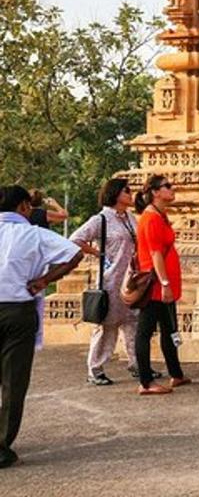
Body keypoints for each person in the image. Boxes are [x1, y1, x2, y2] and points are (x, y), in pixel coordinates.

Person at [0, 184, 84, 468]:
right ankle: (1, 445)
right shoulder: (33, 234)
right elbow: (75, 254)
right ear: (24, 206)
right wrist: (44, 281)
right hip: (17, 308)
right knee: (13, 380)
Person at [69, 178, 161, 385]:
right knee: (106, 326)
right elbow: (75, 238)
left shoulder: (129, 217)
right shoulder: (101, 220)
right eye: (126, 190)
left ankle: (138, 364)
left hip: (132, 279)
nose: (130, 194)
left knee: (134, 323)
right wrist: (97, 253)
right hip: (111, 280)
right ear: (115, 194)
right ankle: (95, 369)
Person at [132, 175, 190, 395]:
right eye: (167, 186)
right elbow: (155, 254)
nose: (172, 189)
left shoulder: (160, 215)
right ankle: (146, 382)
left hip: (164, 282)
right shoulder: (151, 218)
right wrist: (164, 283)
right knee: (145, 331)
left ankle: (176, 373)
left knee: (168, 327)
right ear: (155, 192)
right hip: (155, 283)